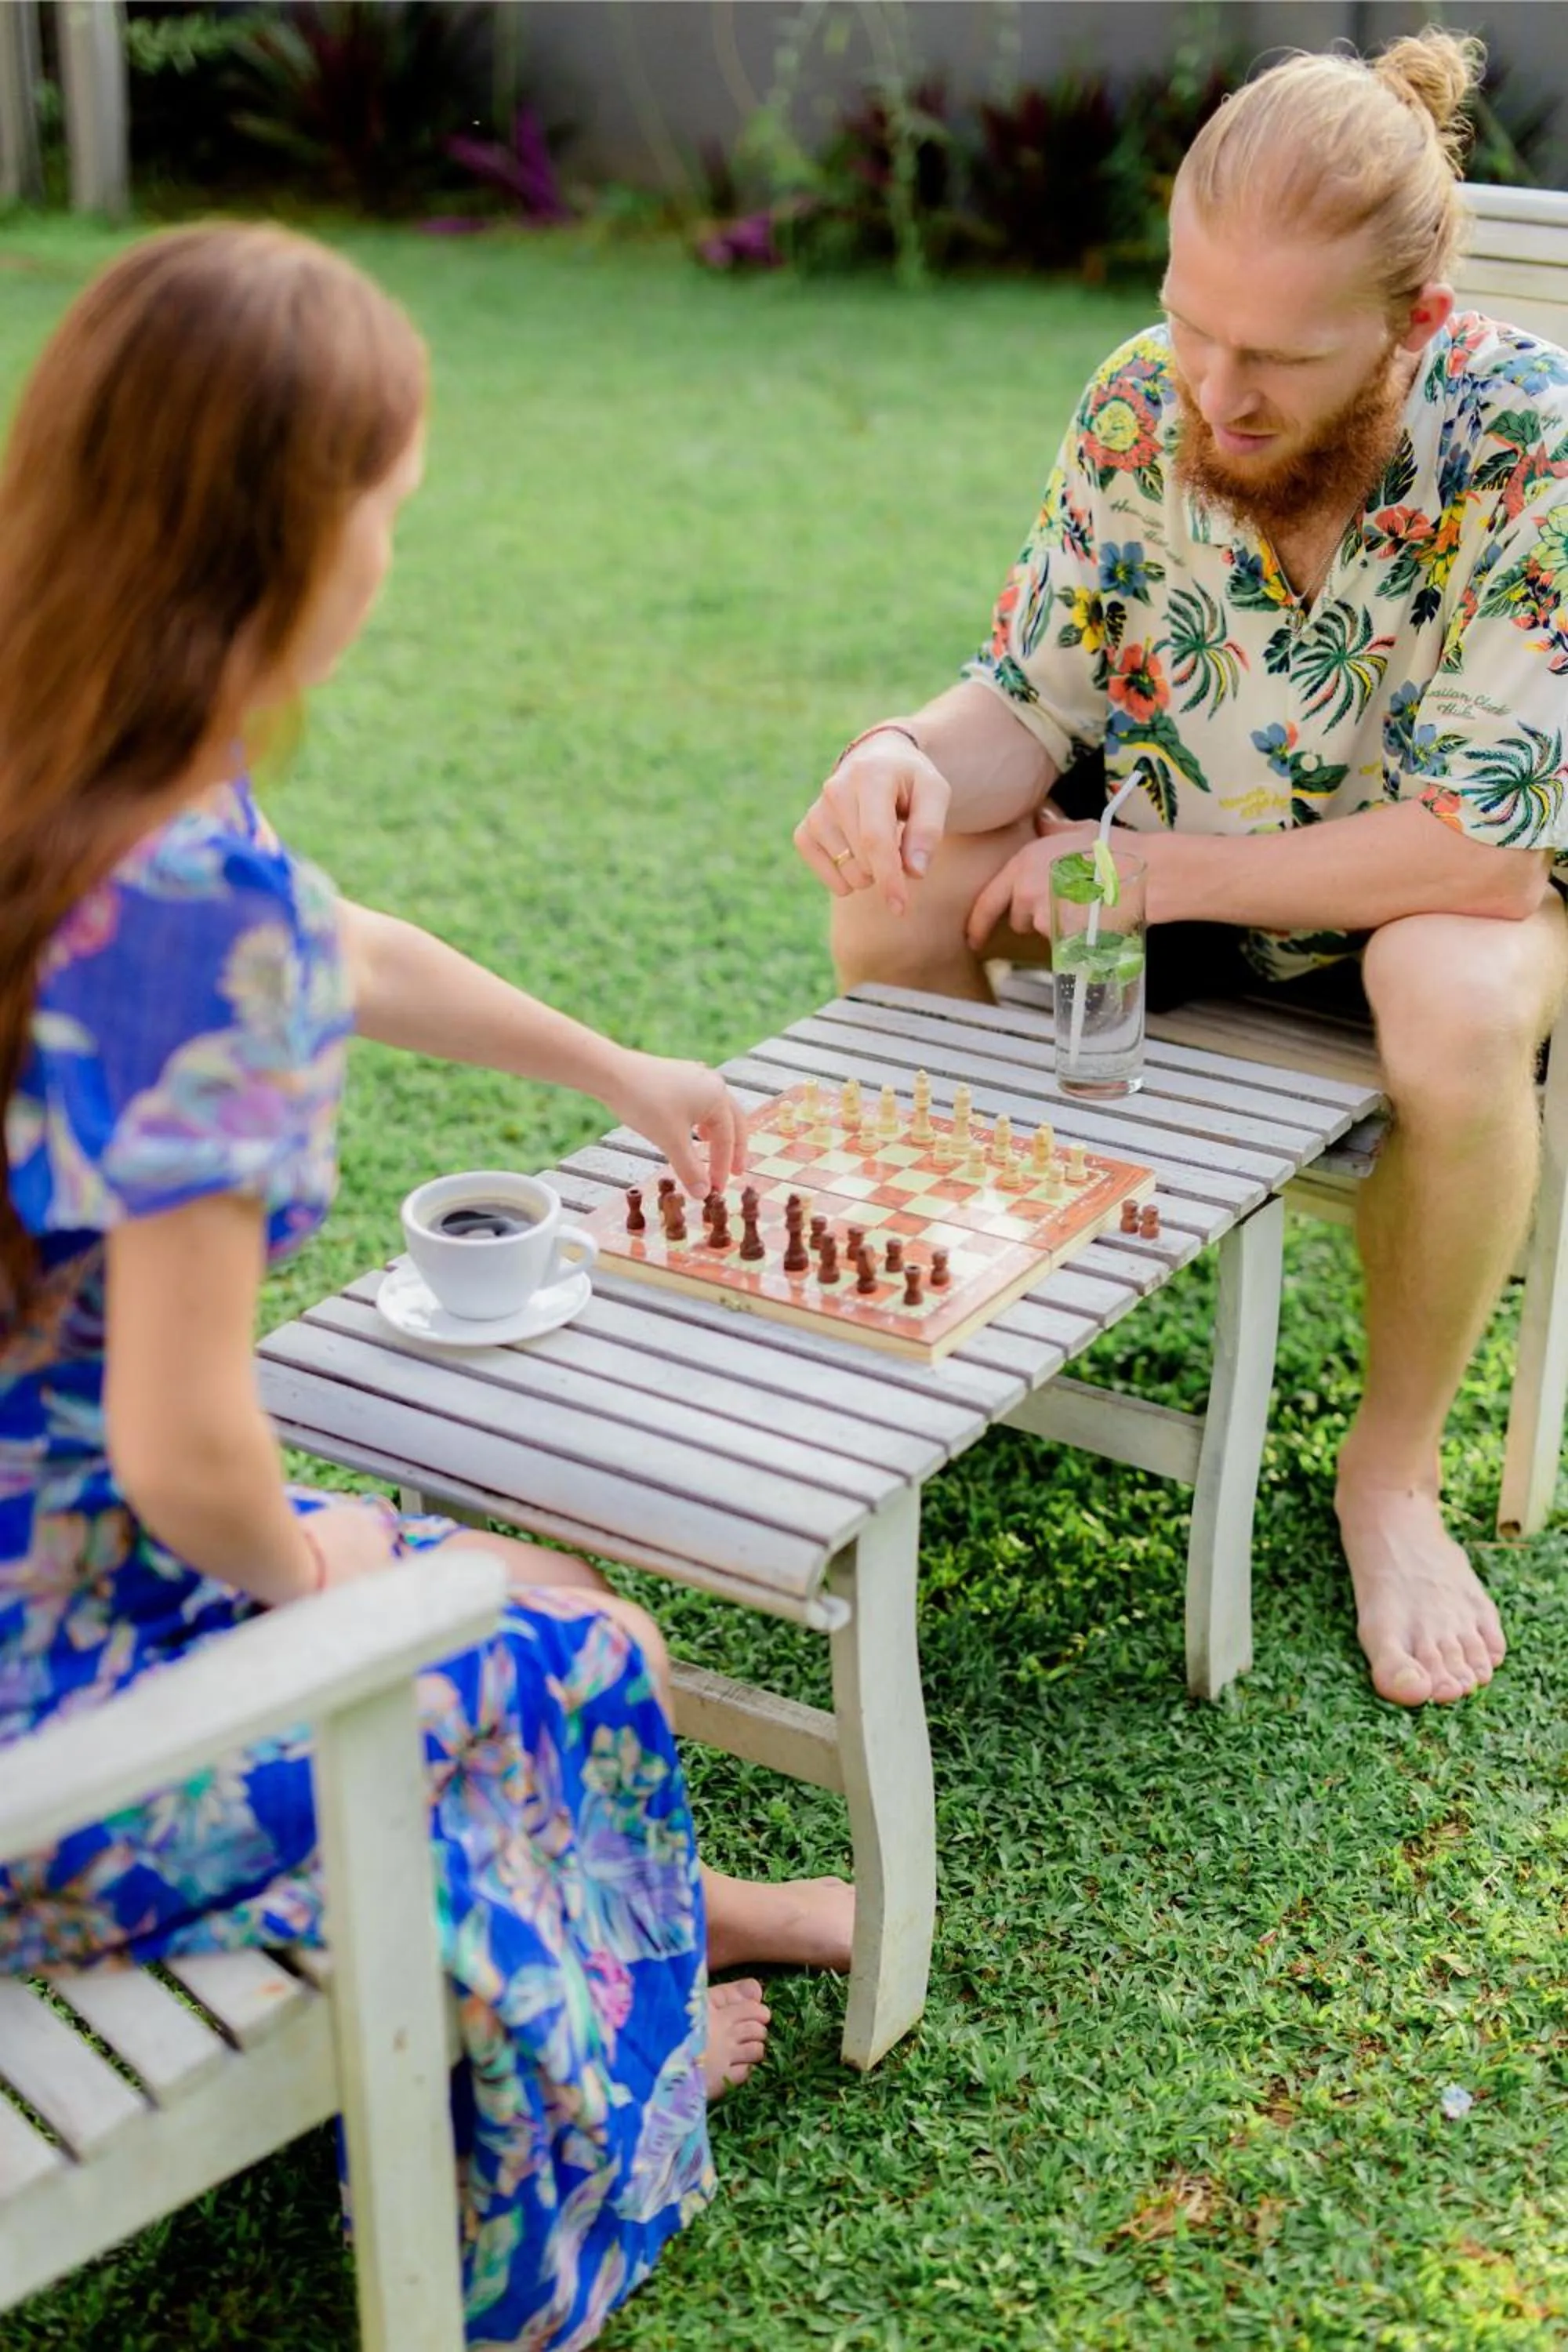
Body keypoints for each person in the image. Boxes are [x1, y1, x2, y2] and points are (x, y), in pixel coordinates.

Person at [0, 225, 850, 2350]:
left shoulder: (75, 761)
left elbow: (338, 944)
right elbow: (187, 1450)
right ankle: (616, 2067)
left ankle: (684, 1907)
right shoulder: (196, 908)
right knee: (565, 1632)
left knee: (527, 1611)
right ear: (292, 537)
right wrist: (318, 1560)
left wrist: (610, 1067)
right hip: (56, 1747)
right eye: (386, 497)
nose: (394, 541)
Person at [794, 29, 1568, 1713]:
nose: (1212, 394)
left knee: (1442, 994)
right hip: (1167, 875)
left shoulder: (1534, 444)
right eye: (1192, 319)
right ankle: (988, 1319)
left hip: (1419, 911)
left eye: (1275, 359)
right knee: (895, 890)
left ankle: (1390, 1469)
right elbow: (1030, 696)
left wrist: (1154, 874)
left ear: (1414, 324)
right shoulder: (1143, 395)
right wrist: (906, 758)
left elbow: (1480, 860)